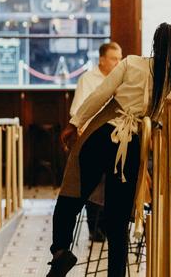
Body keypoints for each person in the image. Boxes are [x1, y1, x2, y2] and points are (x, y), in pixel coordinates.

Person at [48, 23, 171, 277]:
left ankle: (60, 251)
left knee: (70, 198)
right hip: (132, 149)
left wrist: (74, 123)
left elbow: (100, 95)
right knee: (117, 221)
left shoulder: (131, 63)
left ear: (154, 46)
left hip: (102, 137)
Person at [69, 42, 122, 243]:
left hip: (116, 136)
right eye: (113, 58)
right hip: (93, 136)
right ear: (102, 59)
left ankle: (112, 223)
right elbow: (76, 111)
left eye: (120, 58)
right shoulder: (88, 79)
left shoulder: (122, 81)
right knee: (95, 178)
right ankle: (95, 226)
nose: (118, 62)